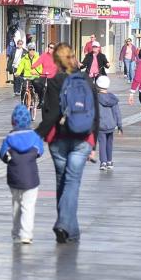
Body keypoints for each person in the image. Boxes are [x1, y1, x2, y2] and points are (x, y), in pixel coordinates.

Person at [35, 43, 98, 244]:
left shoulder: (54, 82)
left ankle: (64, 223)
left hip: (59, 139)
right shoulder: (86, 81)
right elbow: (95, 114)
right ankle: (70, 228)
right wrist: (93, 143)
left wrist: (37, 135)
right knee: (72, 183)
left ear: (56, 61)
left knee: (62, 182)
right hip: (82, 139)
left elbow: (51, 113)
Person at [0, 103, 44, 245]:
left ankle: (15, 233)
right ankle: (26, 234)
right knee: (28, 206)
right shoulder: (35, 137)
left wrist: (10, 159)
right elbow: (40, 152)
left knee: (16, 205)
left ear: (13, 121)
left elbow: (2, 155)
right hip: (31, 178)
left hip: (14, 177)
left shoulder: (9, 138)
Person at [96, 75, 122, 171]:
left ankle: (103, 162)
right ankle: (109, 161)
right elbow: (117, 112)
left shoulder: (96, 98)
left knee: (102, 143)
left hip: (100, 125)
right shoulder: (112, 98)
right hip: (111, 124)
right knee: (109, 143)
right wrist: (120, 125)